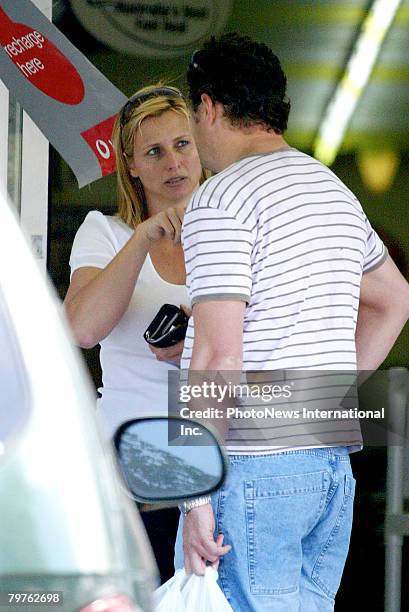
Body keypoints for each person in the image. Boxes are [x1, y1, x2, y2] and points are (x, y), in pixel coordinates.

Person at [173, 34, 409, 611]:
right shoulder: (332, 191)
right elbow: (395, 300)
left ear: (208, 107)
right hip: (329, 466)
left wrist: (192, 493)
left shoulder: (222, 199)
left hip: (255, 470)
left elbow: (217, 358)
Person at [64, 84, 203, 582]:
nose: (173, 162)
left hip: (217, 474)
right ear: (132, 164)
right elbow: (81, 329)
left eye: (183, 144)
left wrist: (197, 346)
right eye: (154, 151)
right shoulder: (105, 232)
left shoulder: (237, 234)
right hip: (133, 481)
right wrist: (144, 236)